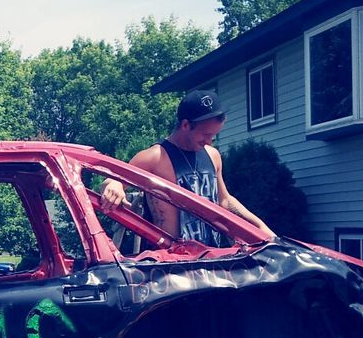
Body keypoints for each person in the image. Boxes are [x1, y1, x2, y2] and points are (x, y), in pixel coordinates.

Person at [101, 90, 274, 245]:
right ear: (185, 125)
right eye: (206, 134)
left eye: (214, 135)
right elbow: (111, 181)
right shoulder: (155, 157)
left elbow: (224, 201)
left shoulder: (213, 156)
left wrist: (260, 228)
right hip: (168, 264)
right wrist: (115, 186)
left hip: (211, 258)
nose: (209, 141)